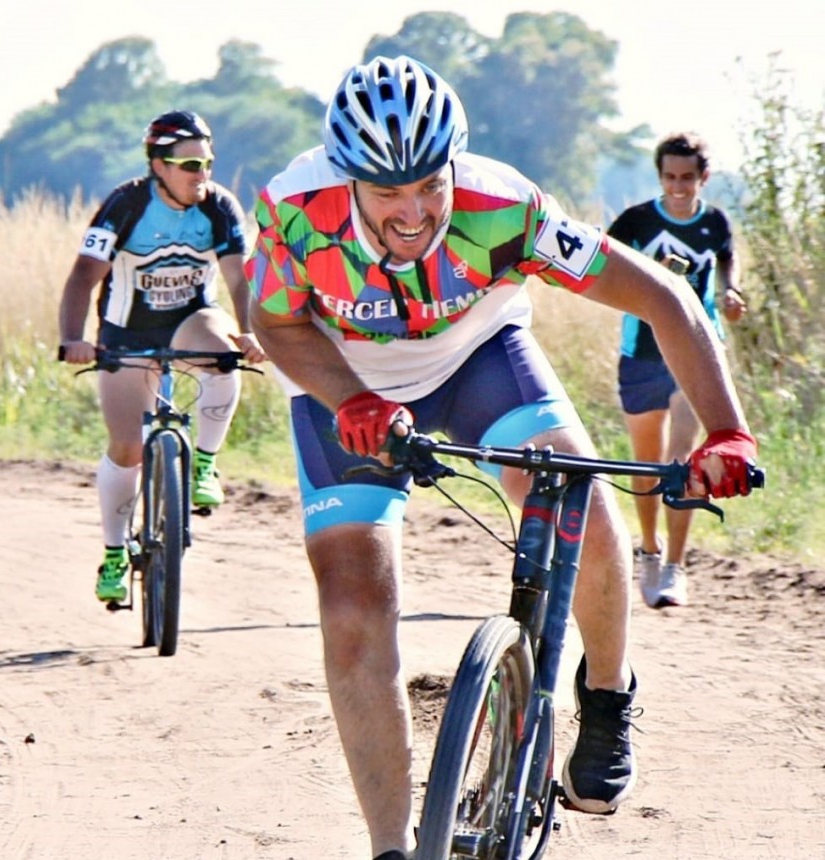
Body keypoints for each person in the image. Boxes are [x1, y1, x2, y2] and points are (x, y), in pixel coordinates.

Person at [248, 56, 757, 860]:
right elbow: (274, 325)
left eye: (429, 185)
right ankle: (393, 848)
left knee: (581, 505)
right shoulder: (295, 210)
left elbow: (663, 296)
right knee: (352, 604)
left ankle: (606, 693)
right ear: (348, 179)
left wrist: (728, 431)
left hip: (480, 356)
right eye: (387, 193)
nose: (413, 212)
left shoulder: (503, 206)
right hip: (345, 387)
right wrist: (352, 399)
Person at [59, 109, 265, 603]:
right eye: (190, 165)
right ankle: (113, 552)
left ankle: (204, 466)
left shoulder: (218, 206)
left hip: (190, 318)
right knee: (127, 447)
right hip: (126, 333)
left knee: (222, 356)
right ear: (159, 165)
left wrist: (250, 331)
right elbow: (83, 276)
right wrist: (72, 338)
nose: (203, 174)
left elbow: (237, 277)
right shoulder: (125, 205)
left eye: (207, 163)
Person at [607, 131, 747, 609]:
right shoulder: (637, 221)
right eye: (670, 177)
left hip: (696, 352)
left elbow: (729, 266)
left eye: (688, 178)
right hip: (642, 353)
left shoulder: (715, 223)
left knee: (684, 458)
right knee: (647, 465)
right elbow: (603, 270)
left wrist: (732, 295)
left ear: (703, 178)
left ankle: (676, 567)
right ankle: (649, 548)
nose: (679, 187)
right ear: (660, 176)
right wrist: (651, 269)